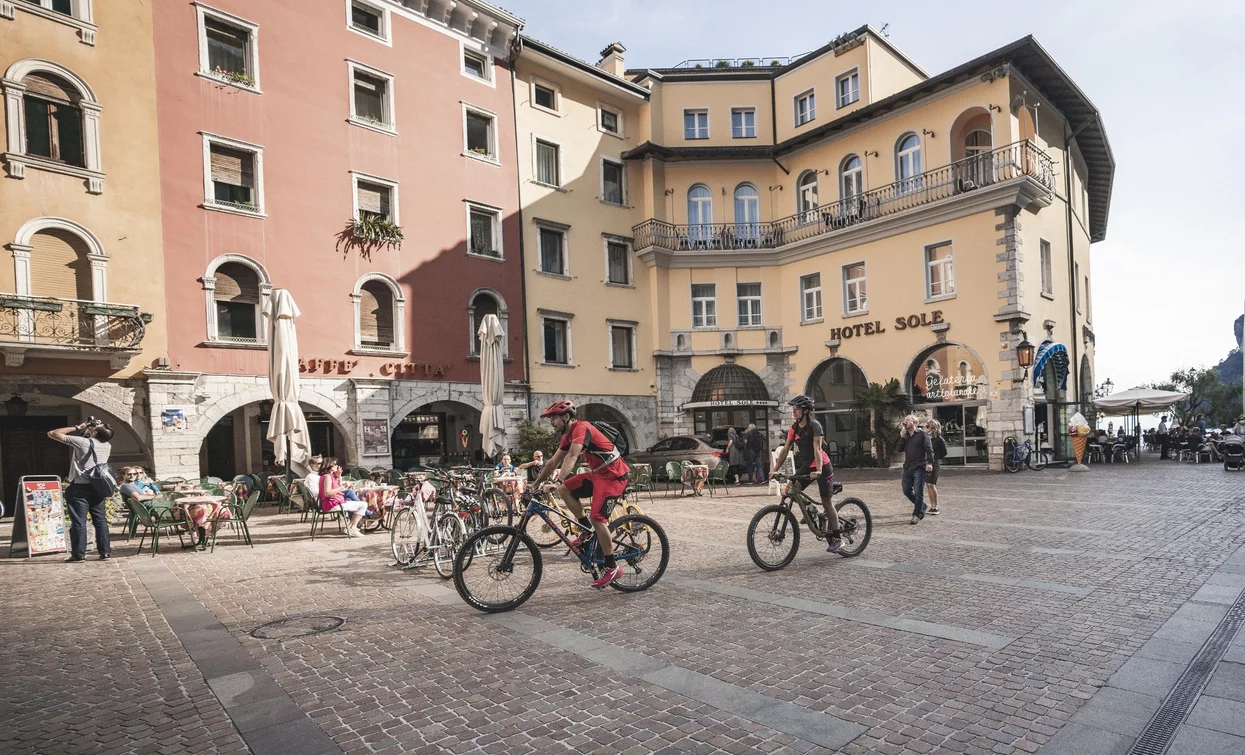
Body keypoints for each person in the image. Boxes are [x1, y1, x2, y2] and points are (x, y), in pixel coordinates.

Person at [530, 400, 629, 589]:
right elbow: (552, 462)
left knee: (598, 519)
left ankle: (612, 567)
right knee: (564, 489)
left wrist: (557, 480)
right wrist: (534, 484)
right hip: (598, 474)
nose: (551, 423)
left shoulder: (581, 428)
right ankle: (586, 531)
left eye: (554, 418)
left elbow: (572, 456)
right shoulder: (567, 435)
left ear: (566, 416)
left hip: (614, 475)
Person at [772, 395, 841, 553]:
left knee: (826, 502)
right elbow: (785, 450)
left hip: (822, 466)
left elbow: (817, 449)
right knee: (789, 491)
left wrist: (818, 470)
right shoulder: (794, 428)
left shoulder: (815, 426)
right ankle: (811, 509)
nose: (794, 412)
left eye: (796, 409)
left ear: (805, 411)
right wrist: (774, 469)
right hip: (806, 466)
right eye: (793, 409)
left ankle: (837, 538)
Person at [48, 418, 115, 562]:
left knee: (79, 521)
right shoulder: (107, 445)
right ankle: (105, 553)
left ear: (94, 431)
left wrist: (79, 427)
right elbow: (92, 444)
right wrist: (92, 430)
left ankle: (78, 555)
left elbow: (53, 433)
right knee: (100, 520)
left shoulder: (83, 442)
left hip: (79, 487)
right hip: (98, 487)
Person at [318, 457, 368, 537]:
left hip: (334, 502)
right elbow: (327, 493)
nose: (337, 466)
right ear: (329, 466)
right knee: (363, 505)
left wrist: (339, 477)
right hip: (332, 503)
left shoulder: (329, 476)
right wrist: (342, 487)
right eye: (334, 465)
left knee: (358, 503)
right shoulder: (327, 477)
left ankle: (351, 527)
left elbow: (337, 488)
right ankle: (352, 527)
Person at [899, 415, 934, 525]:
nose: (905, 422)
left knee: (919, 491)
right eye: (905, 420)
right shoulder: (906, 436)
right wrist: (902, 437)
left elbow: (929, 449)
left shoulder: (922, 434)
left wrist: (930, 463)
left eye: (908, 420)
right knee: (906, 490)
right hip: (908, 466)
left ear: (914, 422)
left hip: (920, 466)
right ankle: (922, 505)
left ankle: (917, 514)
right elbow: (899, 449)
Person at [925, 420, 948, 515]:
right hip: (926, 462)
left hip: (934, 463)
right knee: (928, 484)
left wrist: (936, 458)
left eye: (927, 426)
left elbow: (944, 452)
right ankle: (932, 506)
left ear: (933, 428)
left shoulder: (939, 439)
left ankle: (935, 506)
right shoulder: (926, 438)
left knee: (931, 484)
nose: (926, 428)